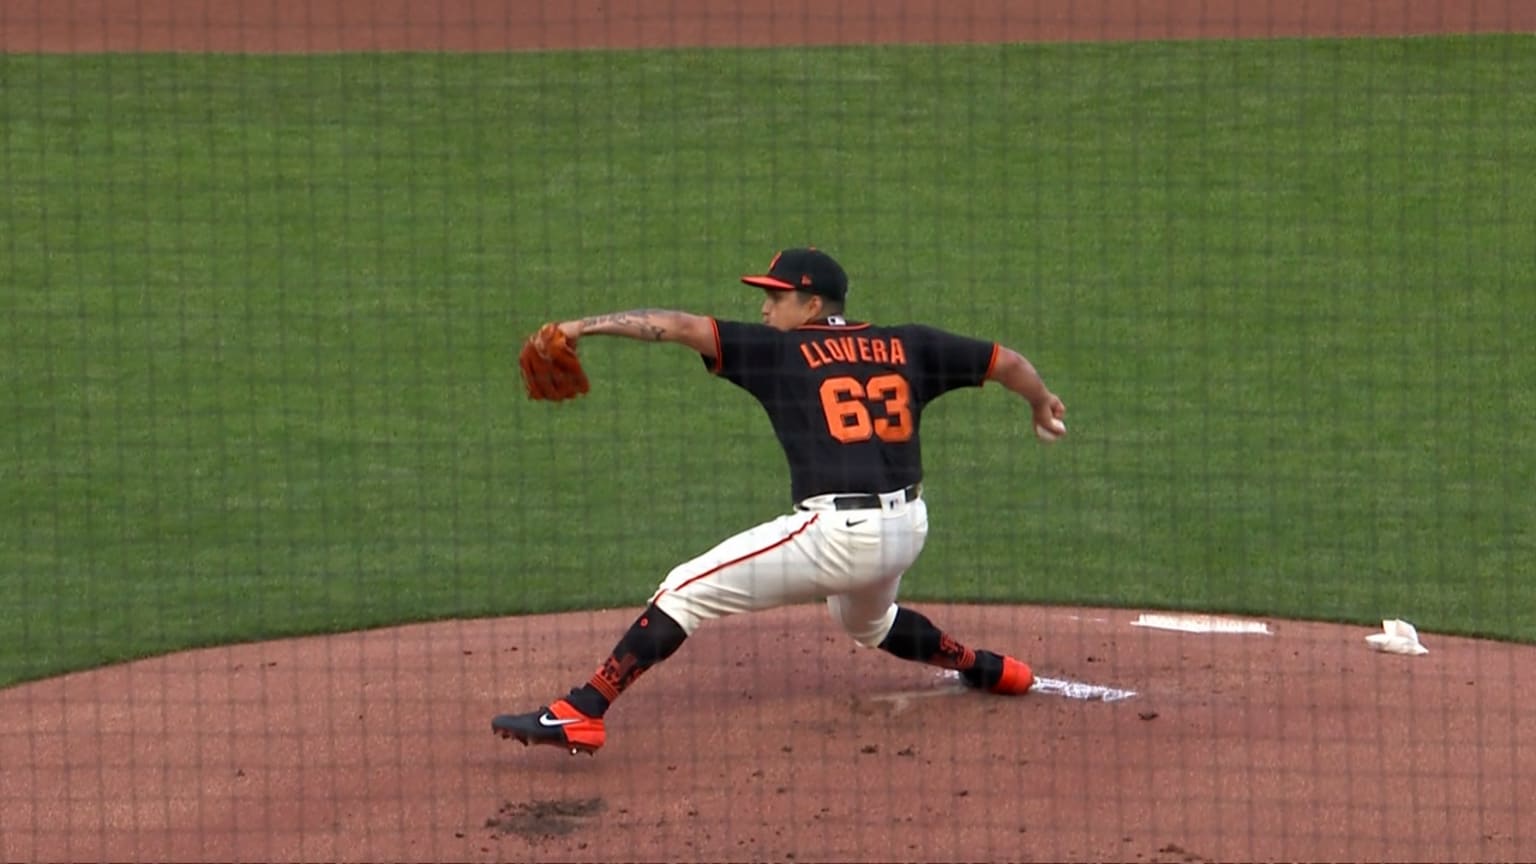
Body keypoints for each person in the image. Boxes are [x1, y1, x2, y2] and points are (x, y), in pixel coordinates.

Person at [493, 247, 1067, 755]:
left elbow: (679, 326)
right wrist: (1041, 405)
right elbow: (1006, 362)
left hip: (841, 536)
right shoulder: (910, 343)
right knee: (867, 622)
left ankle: (582, 710)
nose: (766, 311)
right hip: (909, 527)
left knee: (685, 589)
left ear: (811, 305)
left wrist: (580, 326)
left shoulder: (778, 352)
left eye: (776, 297)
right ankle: (986, 668)